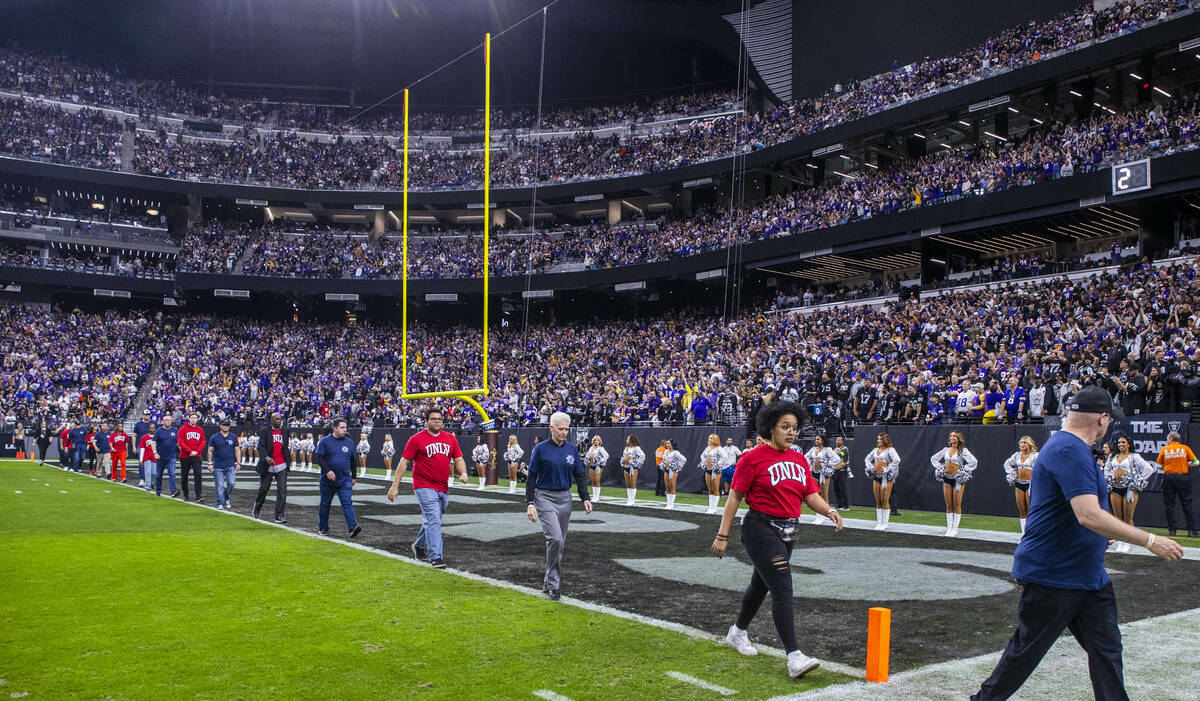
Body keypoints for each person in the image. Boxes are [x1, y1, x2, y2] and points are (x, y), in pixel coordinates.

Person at [972, 386, 1184, 701]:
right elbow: (1088, 515)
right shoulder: (1068, 449)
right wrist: (1151, 540)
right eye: (1110, 421)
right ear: (1102, 419)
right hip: (1053, 574)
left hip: (1087, 575)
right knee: (1025, 654)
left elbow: (1080, 513)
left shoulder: (1069, 448)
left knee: (1107, 650)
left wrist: (1101, 533)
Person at [711, 400, 843, 679]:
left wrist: (829, 510)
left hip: (789, 531)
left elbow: (810, 495)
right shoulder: (752, 458)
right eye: (785, 427)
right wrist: (722, 535)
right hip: (760, 528)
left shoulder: (798, 458)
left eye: (795, 428)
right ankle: (794, 656)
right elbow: (734, 497)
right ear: (770, 428)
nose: (791, 432)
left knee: (760, 586)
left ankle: (737, 632)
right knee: (783, 587)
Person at [387, 408, 470, 569]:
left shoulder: (449, 438)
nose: (437, 421)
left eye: (439, 419)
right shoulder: (416, 439)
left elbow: (458, 458)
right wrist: (394, 486)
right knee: (433, 518)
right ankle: (436, 557)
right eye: (433, 419)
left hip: (442, 486)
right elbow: (404, 462)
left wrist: (464, 473)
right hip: (423, 485)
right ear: (426, 421)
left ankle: (418, 545)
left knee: (435, 519)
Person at [524, 412, 592, 601]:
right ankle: (554, 584)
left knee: (560, 542)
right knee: (555, 539)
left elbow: (579, 475)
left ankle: (548, 582)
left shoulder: (571, 450)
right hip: (544, 496)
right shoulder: (541, 449)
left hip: (565, 497)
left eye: (566, 429)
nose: (564, 432)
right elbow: (531, 476)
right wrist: (530, 503)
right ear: (551, 428)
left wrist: (585, 498)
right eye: (560, 429)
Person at [1104, 436, 1153, 553]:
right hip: (1115, 489)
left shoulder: (1134, 457)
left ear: (1128, 444)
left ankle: (1128, 542)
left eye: (1123, 442)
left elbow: (1149, 469)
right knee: (1118, 518)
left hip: (1129, 490)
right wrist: (1109, 477)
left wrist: (1137, 481)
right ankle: (1120, 541)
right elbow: (1106, 469)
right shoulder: (1112, 456)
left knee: (1128, 517)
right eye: (1119, 442)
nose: (1121, 444)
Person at [315, 419, 363, 538]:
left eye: (345, 427)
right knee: (325, 503)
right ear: (335, 428)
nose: (345, 429)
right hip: (328, 479)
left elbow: (353, 460)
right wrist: (327, 471)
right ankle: (323, 527)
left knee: (347, 502)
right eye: (342, 427)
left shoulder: (349, 442)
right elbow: (319, 457)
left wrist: (354, 476)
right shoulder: (324, 441)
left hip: (344, 479)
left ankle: (353, 526)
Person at [930, 431, 978, 537]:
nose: (952, 437)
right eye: (951, 436)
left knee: (957, 504)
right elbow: (933, 459)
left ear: (958, 438)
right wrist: (940, 467)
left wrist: (963, 469)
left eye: (954, 436)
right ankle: (949, 528)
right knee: (949, 505)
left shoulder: (962, 451)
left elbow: (974, 462)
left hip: (957, 480)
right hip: (947, 478)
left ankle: (955, 529)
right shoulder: (945, 450)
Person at [1155, 431, 1199, 538]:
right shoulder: (1185, 448)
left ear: (1170, 439)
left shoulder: (1165, 449)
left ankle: (1172, 530)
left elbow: (1158, 466)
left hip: (1168, 477)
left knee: (1170, 505)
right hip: (1182, 477)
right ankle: (1192, 530)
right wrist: (1187, 464)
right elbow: (1196, 462)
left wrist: (1168, 465)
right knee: (1187, 504)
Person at [253, 413, 292, 523]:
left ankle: (279, 515)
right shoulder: (265, 431)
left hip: (281, 464)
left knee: (282, 490)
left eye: (280, 419)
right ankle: (257, 508)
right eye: (276, 419)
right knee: (264, 489)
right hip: (268, 465)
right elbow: (260, 446)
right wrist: (266, 457)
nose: (279, 421)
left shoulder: (285, 431)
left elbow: (285, 447)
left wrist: (288, 461)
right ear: (271, 420)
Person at [864, 433, 900, 530]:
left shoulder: (890, 450)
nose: (878, 440)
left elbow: (897, 460)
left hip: (886, 478)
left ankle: (885, 524)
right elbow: (867, 459)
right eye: (878, 439)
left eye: (880, 439)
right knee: (878, 501)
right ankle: (879, 523)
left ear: (885, 440)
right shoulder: (876, 450)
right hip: (876, 476)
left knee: (885, 500)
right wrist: (870, 467)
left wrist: (888, 468)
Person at [1003, 436, 1039, 534]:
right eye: (1021, 443)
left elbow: (1041, 468)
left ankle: (1032, 533)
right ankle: (1024, 533)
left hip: (1030, 485)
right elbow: (1007, 464)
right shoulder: (1017, 455)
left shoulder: (1035, 456)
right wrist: (1012, 473)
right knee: (1022, 511)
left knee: (1030, 510)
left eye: (1025, 443)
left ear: (1030, 444)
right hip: (1019, 484)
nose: (1022, 444)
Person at [804, 435, 839, 524]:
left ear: (823, 440)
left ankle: (824, 515)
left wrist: (826, 464)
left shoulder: (827, 450)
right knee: (817, 495)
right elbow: (805, 457)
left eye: (818, 439)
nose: (816, 440)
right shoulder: (813, 449)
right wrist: (809, 465)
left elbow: (837, 459)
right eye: (815, 439)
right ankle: (818, 516)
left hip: (823, 474)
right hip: (814, 473)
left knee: (824, 495)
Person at [207, 418, 240, 510]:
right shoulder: (215, 437)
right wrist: (209, 463)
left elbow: (237, 450)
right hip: (218, 465)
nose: (226, 427)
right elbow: (210, 450)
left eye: (228, 425)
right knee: (220, 485)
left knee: (231, 483)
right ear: (220, 426)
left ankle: (226, 497)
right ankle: (220, 502)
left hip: (230, 464)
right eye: (224, 425)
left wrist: (238, 462)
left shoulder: (233, 437)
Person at [178, 412, 207, 503]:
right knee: (184, 476)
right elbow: (181, 442)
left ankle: (198, 496)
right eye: (192, 417)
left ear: (197, 419)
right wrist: (190, 451)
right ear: (189, 419)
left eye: (195, 417)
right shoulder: (183, 429)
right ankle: (186, 495)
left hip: (197, 456)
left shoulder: (200, 430)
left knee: (198, 475)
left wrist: (196, 451)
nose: (194, 419)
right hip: (185, 456)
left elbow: (203, 442)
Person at [150, 415, 181, 498]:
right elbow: (153, 443)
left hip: (171, 456)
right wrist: (155, 453)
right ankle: (158, 491)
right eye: (166, 420)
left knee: (172, 473)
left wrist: (181, 451)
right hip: (161, 456)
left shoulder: (175, 430)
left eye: (169, 420)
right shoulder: (159, 431)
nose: (168, 421)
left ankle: (173, 491)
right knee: (158, 475)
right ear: (163, 421)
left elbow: (178, 443)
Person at [701, 434, 726, 514]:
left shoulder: (719, 448)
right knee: (710, 489)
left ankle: (714, 508)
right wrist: (703, 462)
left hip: (715, 471)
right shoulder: (707, 448)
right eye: (709, 438)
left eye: (711, 438)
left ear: (715, 439)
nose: (709, 439)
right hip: (708, 470)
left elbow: (724, 457)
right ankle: (710, 507)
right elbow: (702, 456)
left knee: (715, 489)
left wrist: (717, 464)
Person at [661, 439, 687, 509]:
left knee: (672, 487)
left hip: (673, 471)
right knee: (667, 487)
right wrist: (663, 464)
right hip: (666, 470)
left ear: (672, 444)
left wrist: (676, 467)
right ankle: (668, 504)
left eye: (668, 443)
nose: (667, 445)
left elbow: (684, 460)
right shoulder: (666, 451)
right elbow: (664, 460)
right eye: (667, 443)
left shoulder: (676, 453)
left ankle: (671, 505)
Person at [620, 434, 645, 506]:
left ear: (631, 440)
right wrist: (623, 461)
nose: (626, 440)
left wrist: (636, 464)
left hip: (632, 468)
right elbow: (624, 457)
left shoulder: (636, 448)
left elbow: (642, 456)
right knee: (628, 484)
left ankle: (632, 500)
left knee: (632, 483)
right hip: (626, 467)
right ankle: (629, 499)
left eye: (627, 439)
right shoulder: (626, 448)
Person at [829, 435, 852, 511]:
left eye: (839, 440)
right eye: (836, 440)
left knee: (842, 488)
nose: (837, 441)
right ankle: (838, 505)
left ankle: (845, 506)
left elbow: (839, 455)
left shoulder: (845, 449)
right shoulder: (835, 449)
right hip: (835, 471)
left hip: (842, 470)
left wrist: (832, 456)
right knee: (836, 489)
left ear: (842, 442)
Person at [584, 435, 609, 503]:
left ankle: (597, 497)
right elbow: (587, 456)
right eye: (595, 440)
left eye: (597, 440)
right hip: (591, 466)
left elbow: (606, 455)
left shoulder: (601, 448)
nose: (596, 441)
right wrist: (587, 460)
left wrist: (599, 461)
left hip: (598, 466)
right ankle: (594, 496)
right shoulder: (591, 448)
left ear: (599, 441)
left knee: (597, 481)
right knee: (593, 481)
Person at [138, 422, 157, 492]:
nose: (152, 429)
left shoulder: (157, 436)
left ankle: (151, 482)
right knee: (148, 472)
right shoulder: (144, 437)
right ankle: (147, 486)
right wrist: (141, 459)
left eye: (153, 428)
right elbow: (142, 449)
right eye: (151, 428)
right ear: (148, 429)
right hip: (147, 457)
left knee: (154, 473)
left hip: (154, 457)